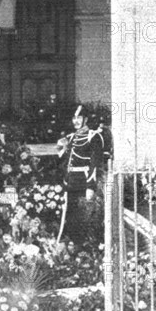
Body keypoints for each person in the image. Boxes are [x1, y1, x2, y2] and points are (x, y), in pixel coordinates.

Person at [57, 103, 106, 246]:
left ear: (85, 119)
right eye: (74, 117)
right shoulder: (71, 138)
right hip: (71, 181)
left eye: (79, 117)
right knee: (71, 217)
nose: (76, 121)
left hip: (84, 181)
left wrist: (90, 186)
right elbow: (67, 162)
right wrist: (65, 181)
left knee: (84, 216)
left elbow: (94, 164)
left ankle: (86, 248)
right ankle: (74, 248)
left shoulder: (93, 137)